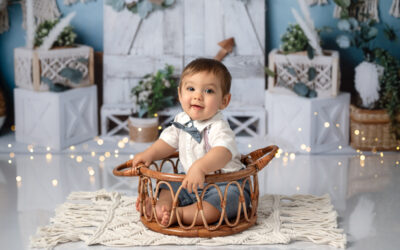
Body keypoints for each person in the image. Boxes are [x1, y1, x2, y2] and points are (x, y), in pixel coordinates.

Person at [133, 58, 250, 226]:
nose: (197, 96)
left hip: (225, 183)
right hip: (191, 182)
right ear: (180, 94)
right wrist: (148, 154)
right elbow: (167, 141)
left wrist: (200, 167)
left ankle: (180, 214)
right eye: (191, 89)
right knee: (170, 184)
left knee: (230, 199)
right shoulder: (181, 120)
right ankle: (162, 205)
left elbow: (223, 152)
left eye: (208, 91)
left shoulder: (218, 126)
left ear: (224, 101)